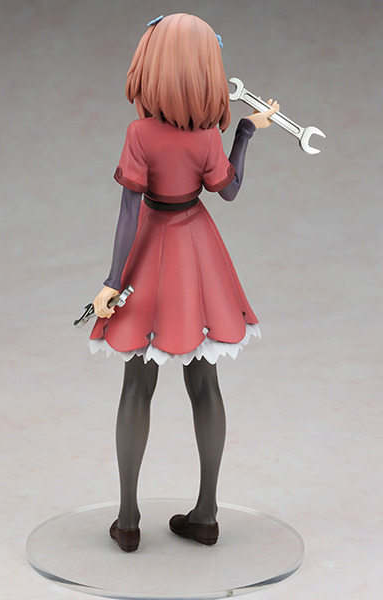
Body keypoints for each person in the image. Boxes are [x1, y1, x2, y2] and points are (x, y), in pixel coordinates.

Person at [89, 13, 279, 552]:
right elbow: (229, 190)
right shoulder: (207, 135)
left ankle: (128, 521)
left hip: (152, 246)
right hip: (197, 248)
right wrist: (245, 133)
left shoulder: (139, 133)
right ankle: (207, 514)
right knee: (205, 382)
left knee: (136, 384)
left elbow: (129, 213)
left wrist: (112, 281)